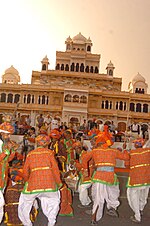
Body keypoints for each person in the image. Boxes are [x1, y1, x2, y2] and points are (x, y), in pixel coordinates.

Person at [82, 125, 129, 225]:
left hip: (99, 176)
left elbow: (84, 159)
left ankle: (93, 219)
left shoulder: (95, 151)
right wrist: (125, 149)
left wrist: (86, 170)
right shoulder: (113, 151)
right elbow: (126, 157)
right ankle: (112, 208)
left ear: (99, 142)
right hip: (111, 176)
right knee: (113, 194)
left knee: (98, 198)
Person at [18, 134, 62, 226]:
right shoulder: (50, 153)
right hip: (49, 185)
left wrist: (26, 181)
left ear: (37, 144)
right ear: (47, 144)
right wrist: (59, 183)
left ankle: (27, 223)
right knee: (54, 201)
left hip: (33, 185)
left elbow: (25, 171)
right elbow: (55, 169)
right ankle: (51, 222)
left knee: (24, 203)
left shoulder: (30, 154)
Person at [126, 138, 150, 223]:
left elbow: (126, 165)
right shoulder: (147, 151)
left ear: (136, 145)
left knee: (132, 196)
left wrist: (125, 150)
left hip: (135, 179)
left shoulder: (131, 153)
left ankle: (137, 216)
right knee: (144, 195)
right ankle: (141, 209)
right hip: (147, 178)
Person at [72, 141, 92, 208]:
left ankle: (85, 203)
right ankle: (87, 201)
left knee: (82, 188)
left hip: (89, 175)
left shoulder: (84, 155)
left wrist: (75, 164)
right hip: (86, 174)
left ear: (80, 148)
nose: (76, 151)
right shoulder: (83, 154)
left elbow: (82, 166)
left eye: (76, 149)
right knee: (81, 188)